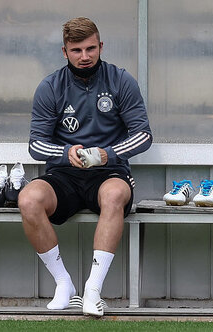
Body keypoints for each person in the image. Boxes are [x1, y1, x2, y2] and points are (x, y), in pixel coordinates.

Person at [18, 17, 152, 317]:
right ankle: (64, 283)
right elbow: (36, 145)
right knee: (28, 199)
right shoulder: (50, 86)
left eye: (91, 48)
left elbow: (143, 136)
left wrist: (109, 154)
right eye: (76, 50)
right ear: (64, 52)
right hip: (63, 173)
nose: (85, 56)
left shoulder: (120, 80)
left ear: (101, 46)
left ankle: (93, 290)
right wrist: (67, 153)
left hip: (109, 172)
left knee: (115, 195)